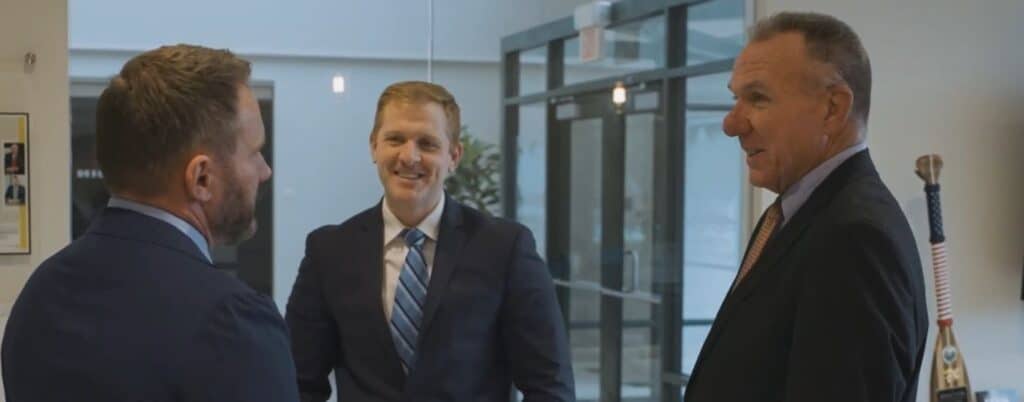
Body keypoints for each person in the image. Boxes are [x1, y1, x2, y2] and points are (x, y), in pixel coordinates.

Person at [1, 44, 298, 402]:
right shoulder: (231, 325)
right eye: (254, 152)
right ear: (201, 178)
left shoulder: (40, 296)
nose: (265, 172)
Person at [683, 12, 928, 402]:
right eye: (736, 98)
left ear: (833, 108)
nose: (731, 124)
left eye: (758, 98)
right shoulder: (795, 215)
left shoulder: (855, 239)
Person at [286, 81, 574, 402]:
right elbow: (298, 382)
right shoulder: (329, 252)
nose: (409, 156)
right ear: (373, 146)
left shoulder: (505, 249)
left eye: (427, 144)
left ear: (454, 155)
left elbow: (550, 385)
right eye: (395, 139)